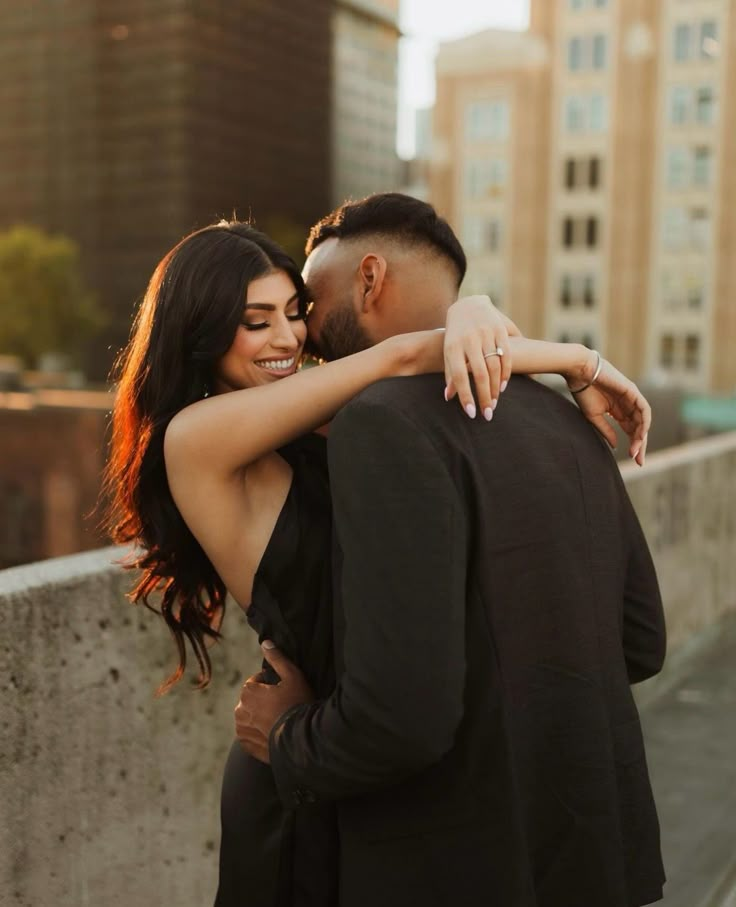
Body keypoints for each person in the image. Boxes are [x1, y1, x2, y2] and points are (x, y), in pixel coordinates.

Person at [235, 193, 666, 907]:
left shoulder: (378, 424)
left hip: (458, 870)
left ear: (370, 279)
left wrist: (284, 736)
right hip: (598, 860)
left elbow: (402, 719)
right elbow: (642, 642)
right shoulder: (568, 414)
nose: (305, 331)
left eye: (310, 301)